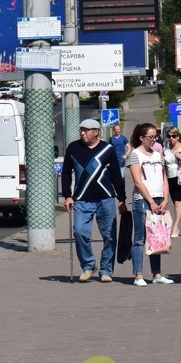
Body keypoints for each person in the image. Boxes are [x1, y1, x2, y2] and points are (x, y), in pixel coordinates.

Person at [62, 119, 127, 283]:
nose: (82, 133)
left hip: (105, 198)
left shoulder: (107, 149)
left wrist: (122, 199)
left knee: (109, 236)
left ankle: (106, 270)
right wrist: (68, 195)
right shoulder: (73, 148)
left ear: (96, 132)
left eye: (86, 130)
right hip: (82, 200)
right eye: (81, 130)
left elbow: (116, 176)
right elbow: (66, 173)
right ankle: (88, 265)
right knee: (79, 232)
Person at [127, 123, 174, 286]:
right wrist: (151, 202)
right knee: (140, 238)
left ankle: (157, 274)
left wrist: (166, 199)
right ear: (141, 138)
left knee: (157, 238)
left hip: (159, 199)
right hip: (143, 201)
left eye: (155, 137)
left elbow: (165, 178)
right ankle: (138, 275)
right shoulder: (135, 155)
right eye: (150, 137)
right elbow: (138, 182)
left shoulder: (158, 155)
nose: (154, 140)